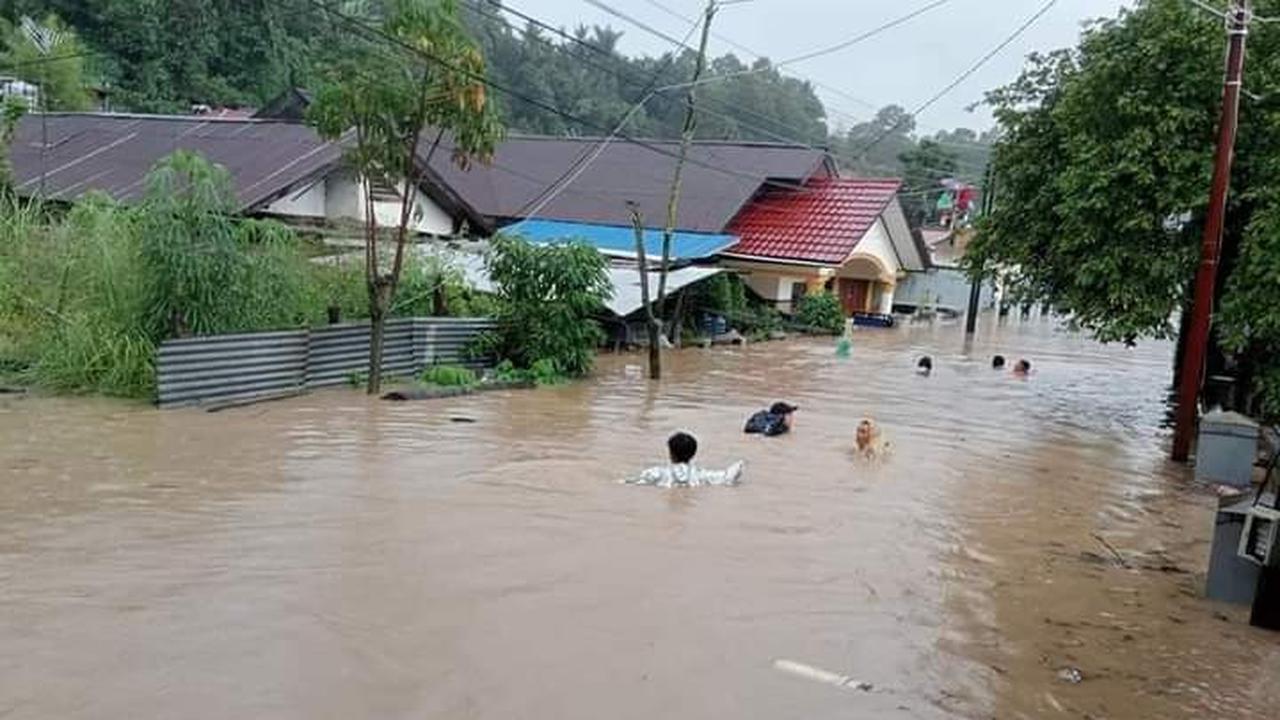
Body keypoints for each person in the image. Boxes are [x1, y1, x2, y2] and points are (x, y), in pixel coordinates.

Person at [626, 431, 744, 487]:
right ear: (693, 454)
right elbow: (728, 476)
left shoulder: (657, 472)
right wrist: (741, 463)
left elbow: (634, 482)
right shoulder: (701, 475)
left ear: (670, 453)